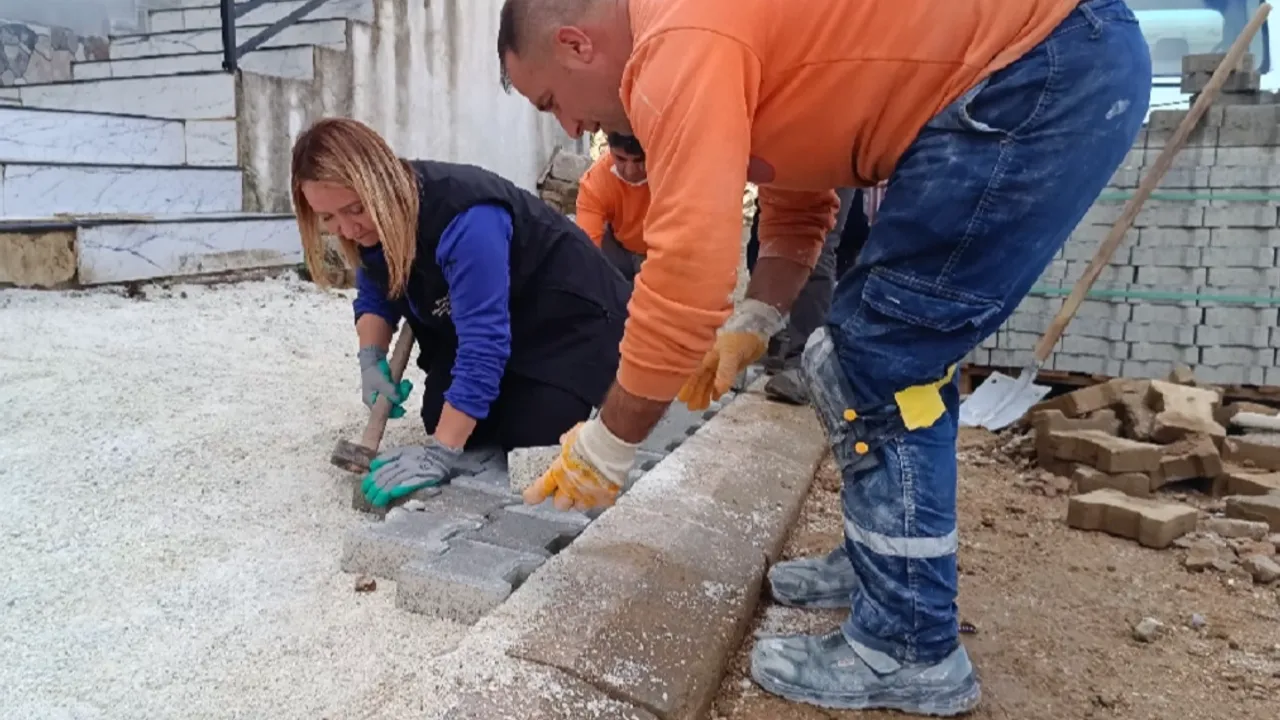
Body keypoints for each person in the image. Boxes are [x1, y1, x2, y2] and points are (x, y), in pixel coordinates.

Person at [495, 0, 1150, 714]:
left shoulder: (675, 41)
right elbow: (800, 199)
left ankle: (909, 644)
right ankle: (887, 561)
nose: (570, 128)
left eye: (550, 100)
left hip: (1034, 70)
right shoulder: (713, 40)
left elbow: (686, 271)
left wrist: (608, 444)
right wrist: (756, 318)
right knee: (896, 354)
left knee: (877, 358)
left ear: (577, 45)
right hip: (1043, 64)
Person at [290, 117, 630, 509]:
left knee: (533, 431)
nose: (347, 230)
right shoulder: (371, 226)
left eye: (355, 209)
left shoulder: (467, 218)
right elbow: (376, 291)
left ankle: (607, 388)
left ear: (378, 184)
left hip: (570, 321)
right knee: (441, 416)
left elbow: (484, 344)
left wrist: (440, 454)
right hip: (503, 321)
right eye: (328, 218)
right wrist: (370, 358)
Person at [745, 187, 859, 405]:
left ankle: (805, 361)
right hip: (786, 168)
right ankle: (773, 336)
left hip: (830, 168)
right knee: (768, 232)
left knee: (816, 241)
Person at [575, 132, 650, 283]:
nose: (630, 171)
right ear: (609, 150)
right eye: (620, 159)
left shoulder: (674, 175)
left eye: (639, 160)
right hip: (617, 249)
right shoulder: (595, 182)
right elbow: (586, 252)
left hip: (662, 254)